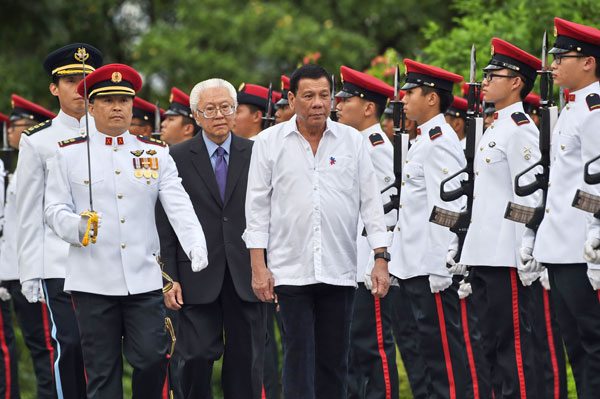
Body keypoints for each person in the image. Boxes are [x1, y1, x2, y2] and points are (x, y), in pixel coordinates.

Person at [43, 63, 209, 399]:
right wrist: (76, 226)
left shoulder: (155, 153)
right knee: (102, 374)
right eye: (108, 100)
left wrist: (196, 245)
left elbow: (178, 203)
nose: (117, 107)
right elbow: (52, 210)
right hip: (92, 281)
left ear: (133, 105)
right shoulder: (68, 154)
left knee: (151, 358)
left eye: (124, 100)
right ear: (91, 106)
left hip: (143, 279)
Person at [243, 64, 391, 399]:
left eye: (324, 95)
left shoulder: (353, 141)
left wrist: (381, 258)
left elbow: (372, 205)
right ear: (292, 99)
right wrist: (258, 266)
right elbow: (256, 209)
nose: (317, 103)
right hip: (289, 270)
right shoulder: (268, 143)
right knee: (298, 358)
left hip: (340, 270)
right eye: (308, 96)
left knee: (335, 361)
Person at [157, 78, 266, 399]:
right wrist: (168, 278)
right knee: (194, 358)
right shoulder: (173, 156)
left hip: (247, 274)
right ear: (195, 115)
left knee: (247, 363)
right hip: (194, 276)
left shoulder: (258, 153)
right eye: (210, 109)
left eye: (226, 107)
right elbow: (164, 224)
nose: (219, 115)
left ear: (235, 112)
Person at [457, 37, 544, 398]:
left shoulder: (522, 129)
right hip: (483, 253)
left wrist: (525, 242)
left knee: (513, 350)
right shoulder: (494, 127)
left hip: (505, 254)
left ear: (516, 82)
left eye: (496, 74)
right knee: (489, 348)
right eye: (488, 74)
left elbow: (531, 193)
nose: (487, 81)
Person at [16, 43, 102, 399]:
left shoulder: (111, 136)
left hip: (107, 261)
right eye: (71, 80)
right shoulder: (38, 141)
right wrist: (29, 271)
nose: (80, 88)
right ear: (55, 88)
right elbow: (27, 212)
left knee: (105, 349)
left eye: (86, 80)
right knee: (70, 343)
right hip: (60, 263)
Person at [388, 58, 469, 399]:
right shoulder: (423, 139)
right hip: (413, 265)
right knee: (427, 356)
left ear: (432, 98)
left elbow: (449, 205)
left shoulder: (440, 141)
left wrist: (440, 263)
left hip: (430, 266)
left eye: (411, 93)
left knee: (446, 362)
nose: (403, 100)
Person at [532, 17, 600, 399]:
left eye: (563, 57)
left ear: (588, 61)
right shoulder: (571, 109)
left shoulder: (595, 109)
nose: (553, 65)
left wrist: (596, 234)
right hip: (560, 248)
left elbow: (598, 177)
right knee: (576, 346)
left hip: (582, 247)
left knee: (593, 344)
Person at [334, 65, 399, 399]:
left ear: (369, 108)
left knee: (373, 348)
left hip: (369, 266)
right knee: (352, 353)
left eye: (347, 99)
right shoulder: (354, 146)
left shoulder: (377, 149)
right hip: (348, 266)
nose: (338, 104)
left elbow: (389, 210)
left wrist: (380, 260)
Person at [0, 97, 57, 398]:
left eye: (16, 125)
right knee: (37, 345)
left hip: (38, 268)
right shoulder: (18, 167)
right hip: (17, 270)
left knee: (47, 347)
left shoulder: (42, 162)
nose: (9, 132)